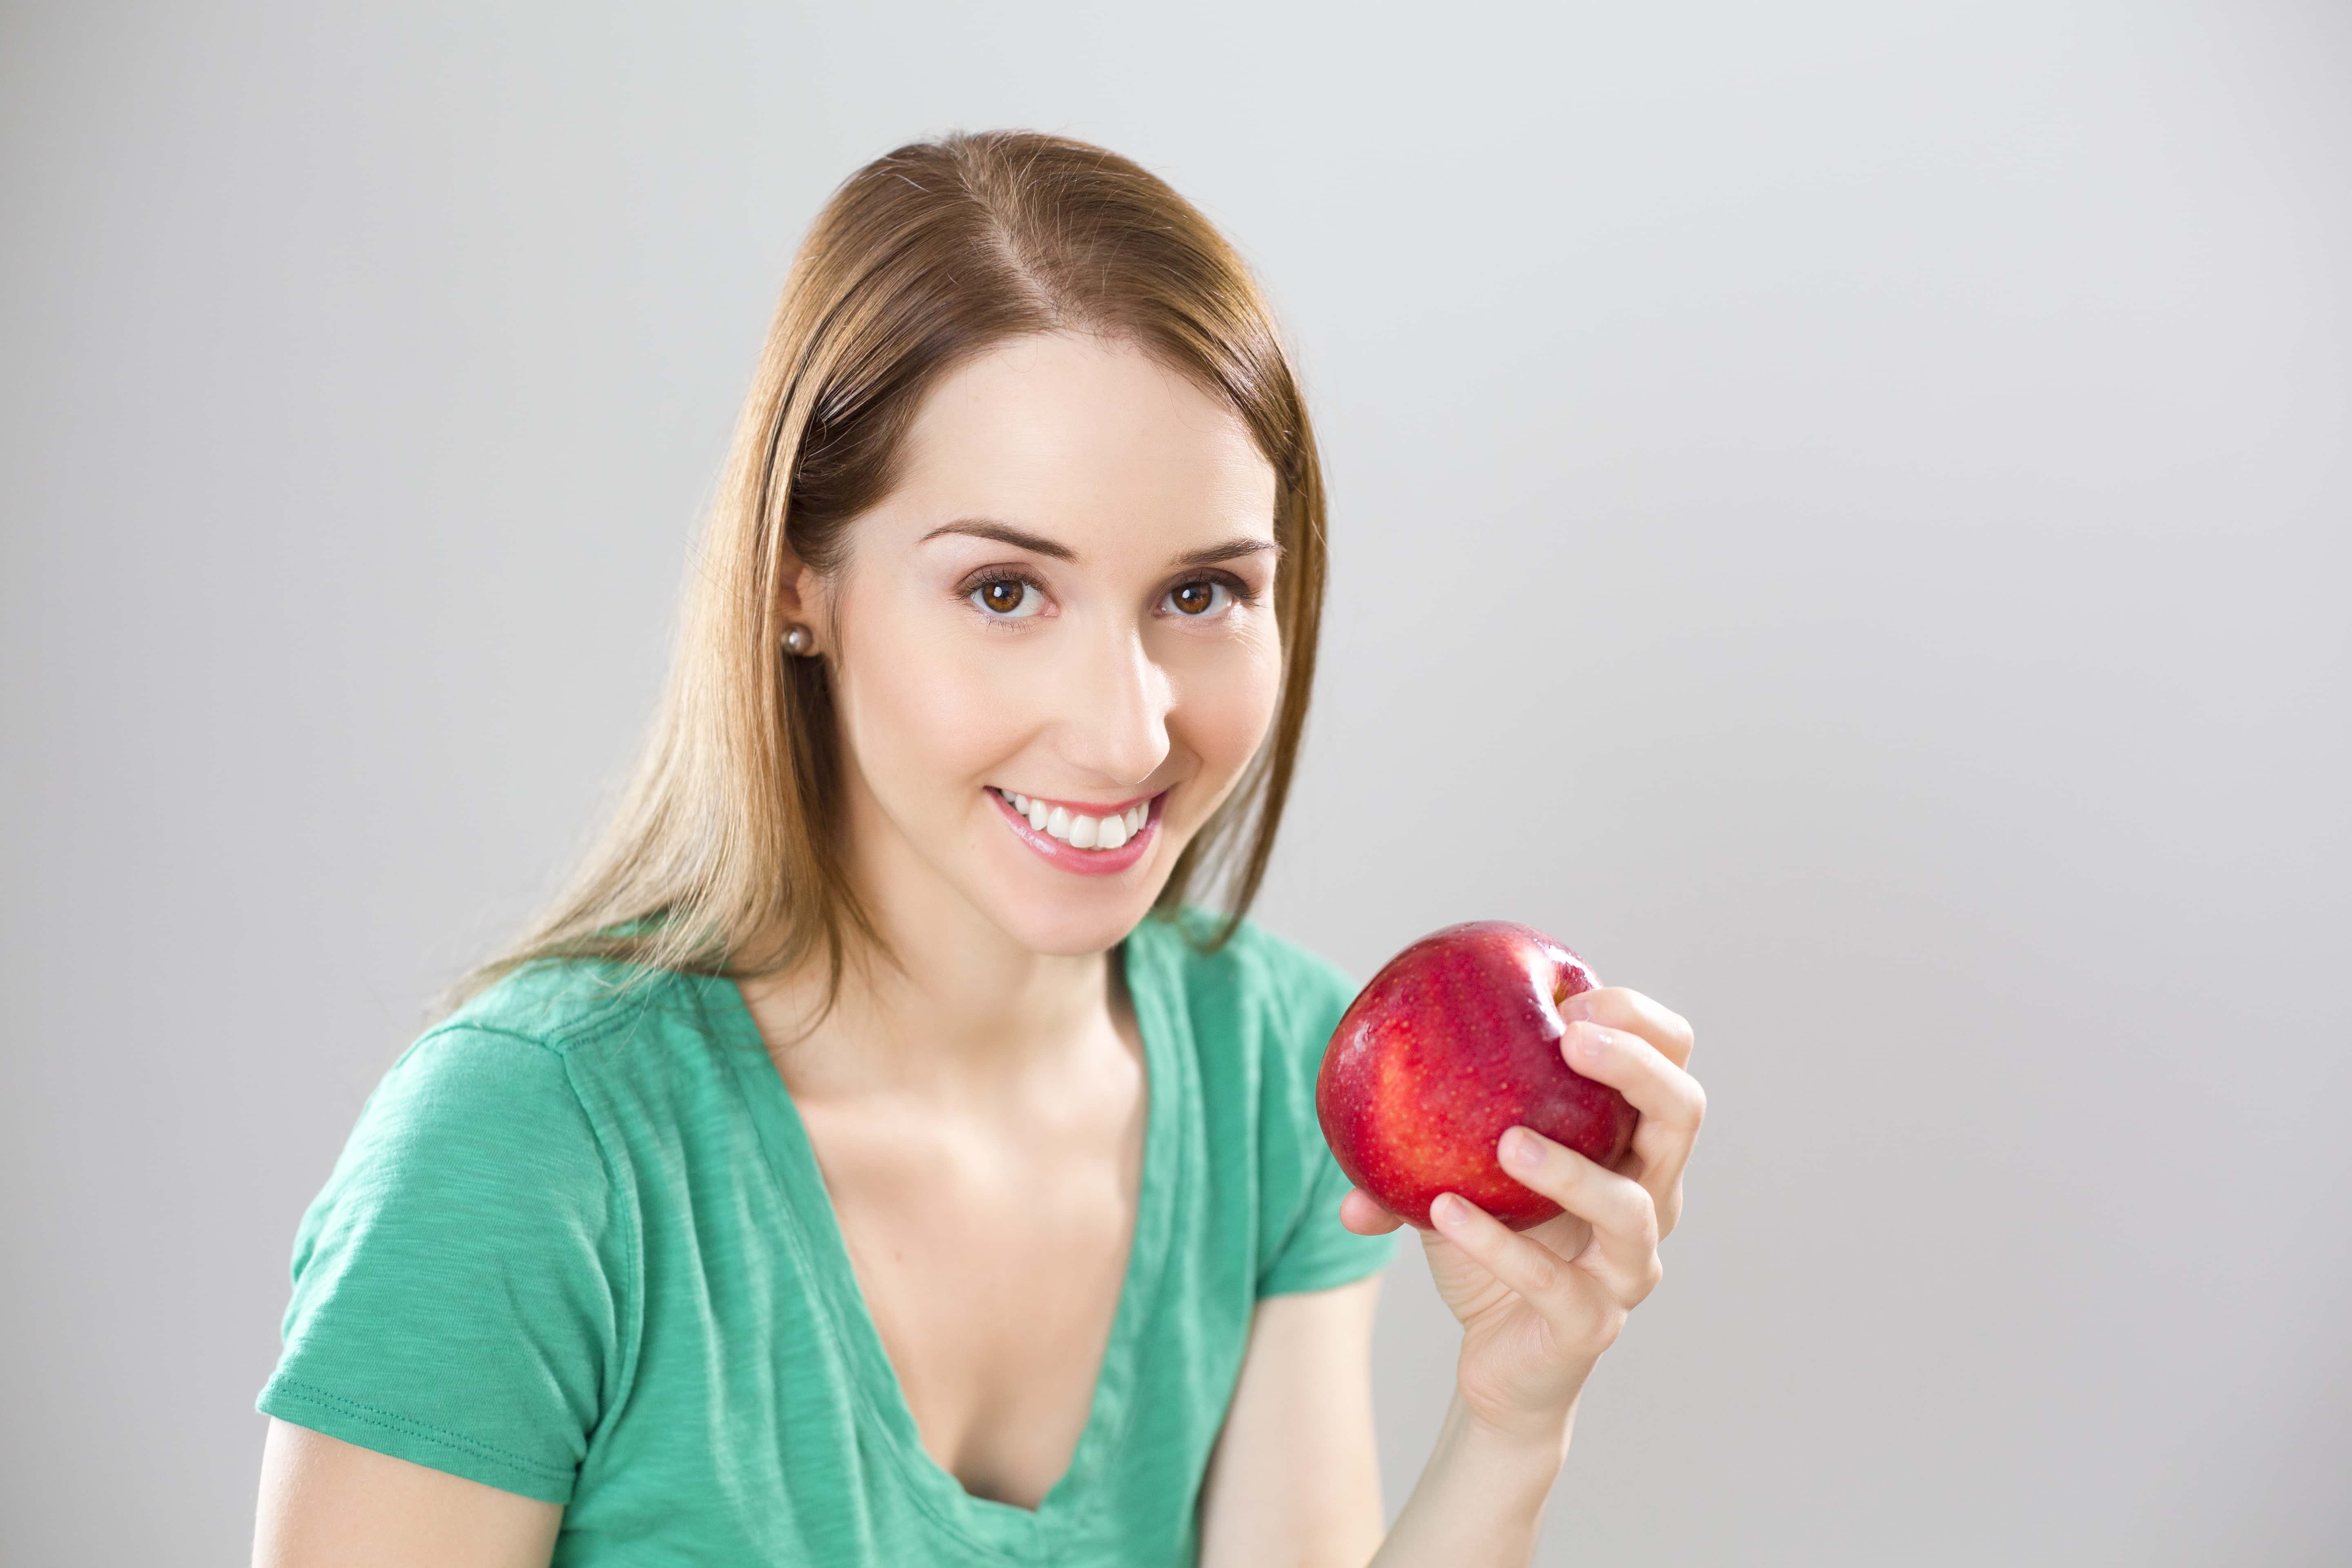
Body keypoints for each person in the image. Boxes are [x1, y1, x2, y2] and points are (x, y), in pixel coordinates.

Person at [250, 130, 1706, 1568]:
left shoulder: (1276, 1071)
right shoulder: (524, 1150)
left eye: (1202, 593)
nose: (1130, 733)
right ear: (796, 590)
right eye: (1007, 591)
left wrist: (1512, 1422)